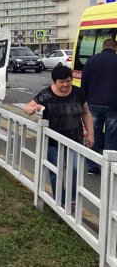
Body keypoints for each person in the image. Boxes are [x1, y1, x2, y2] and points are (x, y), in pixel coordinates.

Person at [24, 65, 94, 207]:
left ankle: (72, 200)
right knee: (56, 171)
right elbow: (27, 108)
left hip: (75, 139)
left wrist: (90, 134)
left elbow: (86, 113)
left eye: (68, 81)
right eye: (61, 82)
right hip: (52, 141)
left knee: (74, 169)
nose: (65, 85)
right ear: (55, 81)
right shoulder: (47, 94)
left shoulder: (78, 93)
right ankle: (59, 200)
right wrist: (34, 109)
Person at [81, 38, 117, 175]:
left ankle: (92, 166)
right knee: (112, 135)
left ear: (103, 47)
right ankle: (110, 168)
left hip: (93, 104)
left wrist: (83, 103)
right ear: (115, 48)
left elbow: (84, 83)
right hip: (114, 105)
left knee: (93, 134)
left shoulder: (91, 61)